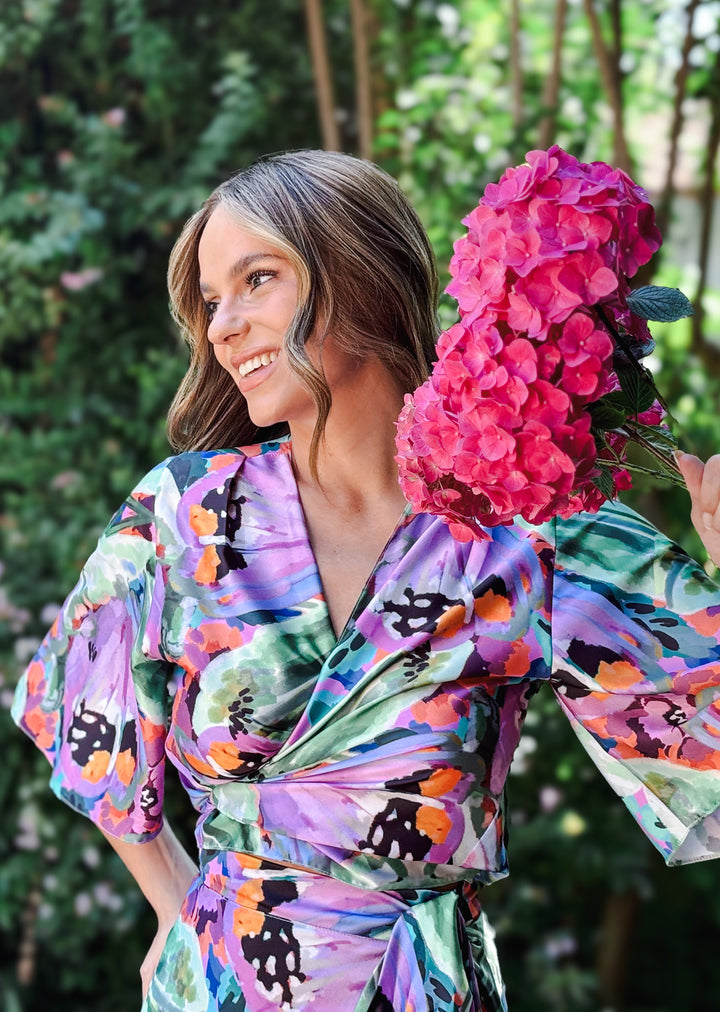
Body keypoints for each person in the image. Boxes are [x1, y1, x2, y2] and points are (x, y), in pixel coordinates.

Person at [12, 150, 720, 1012]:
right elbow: (85, 722)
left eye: (257, 280)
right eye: (211, 301)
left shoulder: (523, 535)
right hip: (222, 985)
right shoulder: (183, 516)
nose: (223, 326)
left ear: (360, 273)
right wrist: (171, 904)